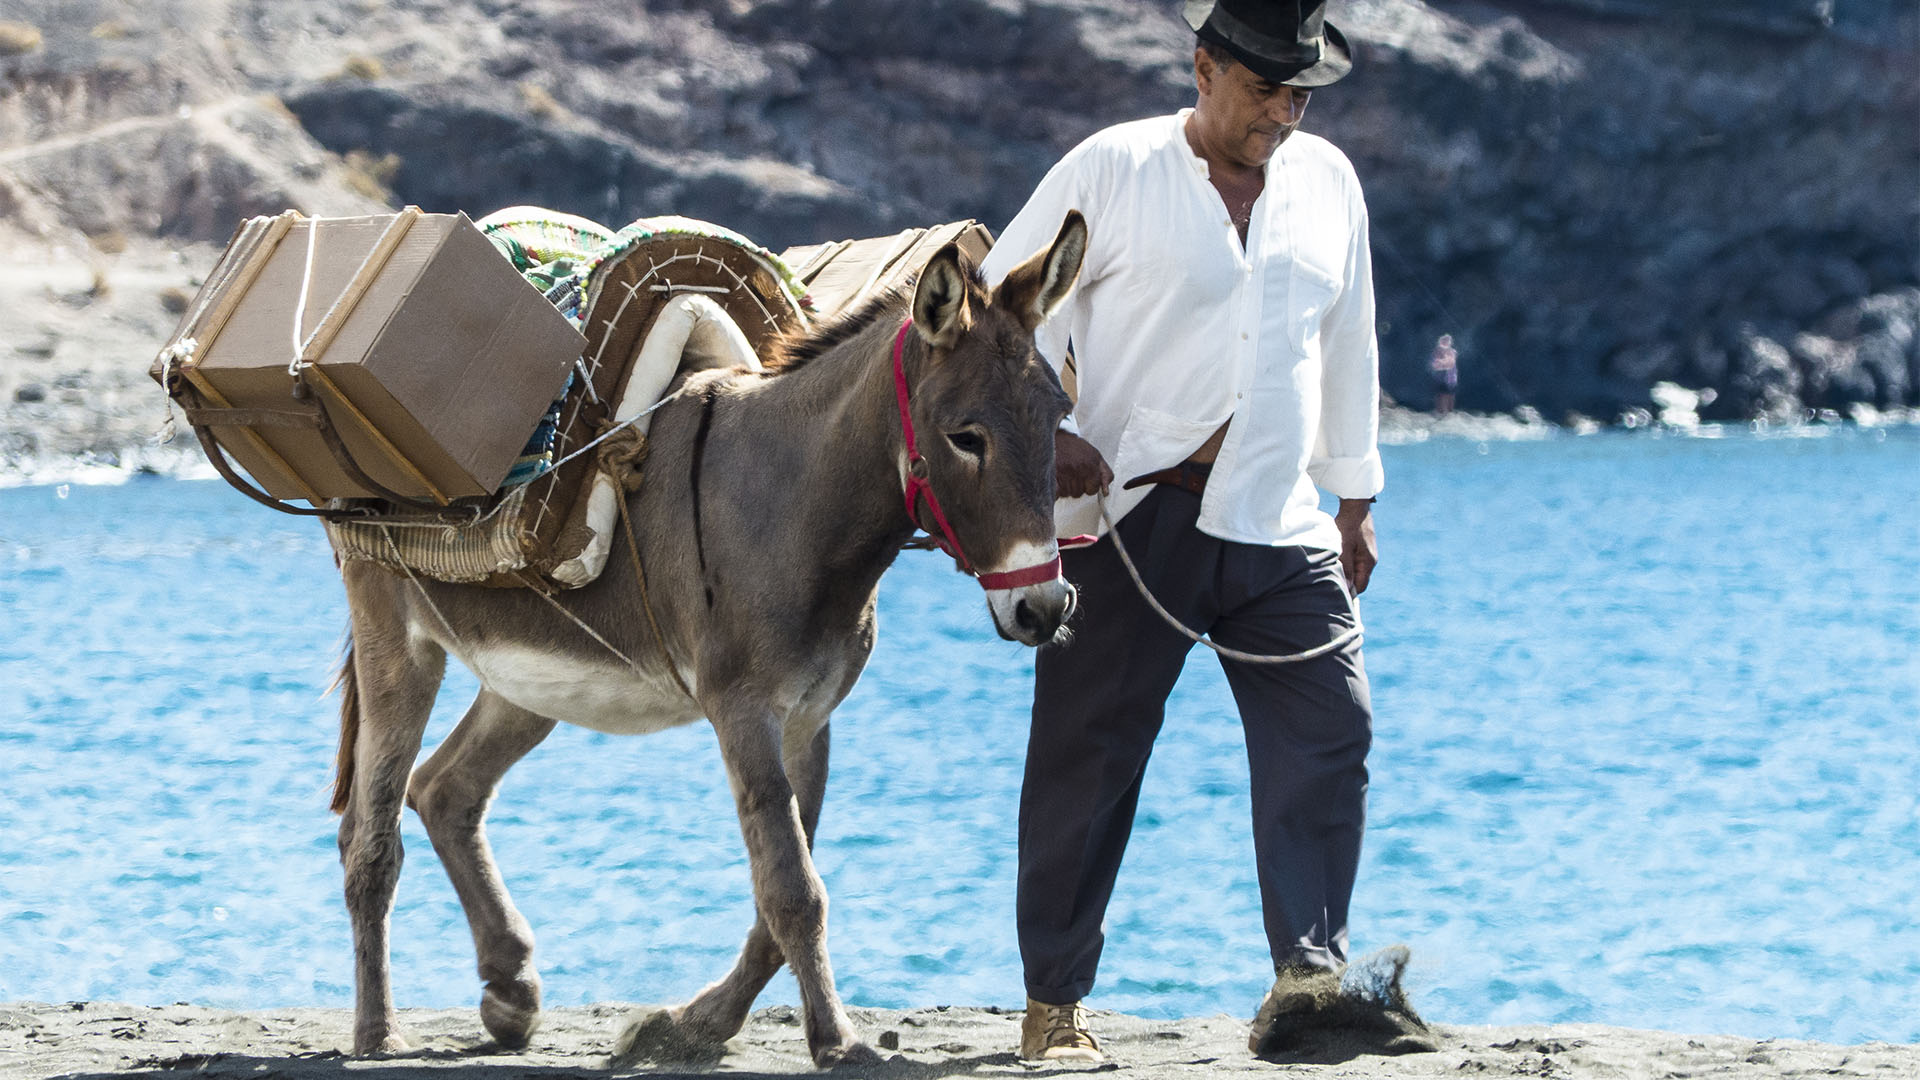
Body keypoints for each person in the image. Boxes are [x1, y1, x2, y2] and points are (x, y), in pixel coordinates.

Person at [977, 0, 1433, 1062]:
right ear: (1204, 68)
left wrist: (1356, 496)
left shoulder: (1329, 185)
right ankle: (1053, 1005)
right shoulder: (1113, 171)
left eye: (1302, 89)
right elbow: (993, 318)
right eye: (1267, 85)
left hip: (1279, 518)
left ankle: (1308, 988)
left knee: (1334, 730)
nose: (1287, 108)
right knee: (1087, 764)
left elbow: (1349, 338)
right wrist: (1051, 432)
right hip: (1135, 518)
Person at [1430, 333, 1458, 416]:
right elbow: (1434, 365)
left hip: (1451, 380)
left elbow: (1450, 364)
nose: (1446, 342)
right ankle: (1440, 414)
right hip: (1440, 379)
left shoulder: (1452, 351)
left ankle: (1449, 415)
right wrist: (1442, 363)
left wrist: (1442, 362)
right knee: (1440, 396)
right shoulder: (1436, 351)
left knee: (1450, 396)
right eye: (1444, 340)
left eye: (1447, 340)